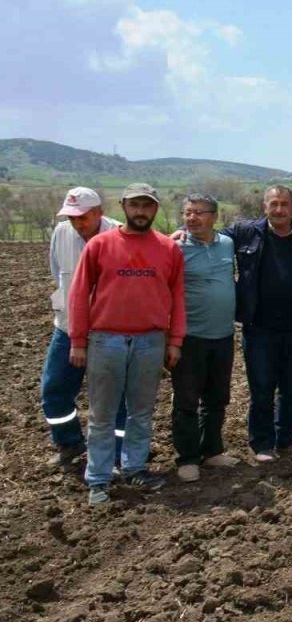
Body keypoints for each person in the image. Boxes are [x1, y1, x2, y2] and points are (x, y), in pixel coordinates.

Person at [68, 183, 185, 504]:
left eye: (147, 206)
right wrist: (78, 341)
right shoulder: (100, 245)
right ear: (123, 207)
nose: (140, 211)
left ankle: (135, 468)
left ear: (155, 209)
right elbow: (79, 294)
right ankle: (99, 478)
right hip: (106, 340)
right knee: (102, 414)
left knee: (141, 412)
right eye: (135, 205)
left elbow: (177, 297)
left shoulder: (168, 249)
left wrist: (174, 340)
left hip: (151, 340)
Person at [222, 186, 292, 462]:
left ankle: (285, 440)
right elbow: (211, 237)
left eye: (284, 204)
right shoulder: (246, 233)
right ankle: (262, 443)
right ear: (265, 206)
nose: (279, 209)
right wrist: (182, 233)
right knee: (261, 389)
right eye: (274, 204)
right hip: (259, 328)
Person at [41, 187, 127, 466]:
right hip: (67, 327)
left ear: (99, 212)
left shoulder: (120, 235)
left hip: (110, 330)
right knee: (54, 389)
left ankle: (116, 453)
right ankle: (69, 442)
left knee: (114, 396)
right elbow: (58, 274)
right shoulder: (61, 233)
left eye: (83, 217)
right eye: (72, 217)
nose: (77, 223)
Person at [170, 194, 238, 483]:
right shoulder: (174, 247)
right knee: (187, 399)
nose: (192, 217)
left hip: (223, 334)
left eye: (199, 212)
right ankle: (187, 458)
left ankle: (212, 451)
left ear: (215, 216)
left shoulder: (227, 244)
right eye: (187, 212)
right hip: (190, 336)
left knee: (217, 397)